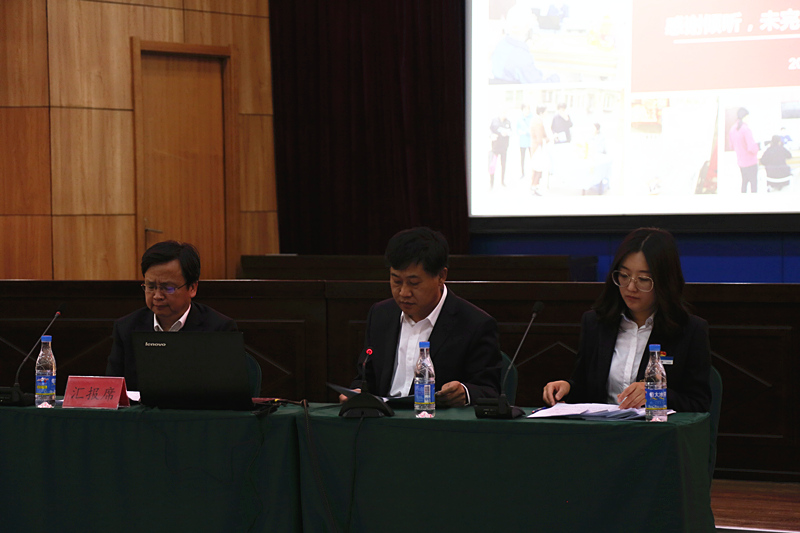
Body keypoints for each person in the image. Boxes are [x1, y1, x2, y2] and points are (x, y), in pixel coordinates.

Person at [542, 228, 711, 413]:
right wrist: (567, 388)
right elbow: (585, 388)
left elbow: (700, 404)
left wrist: (656, 394)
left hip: (654, 429)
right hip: (602, 428)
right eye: (624, 276)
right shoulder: (596, 323)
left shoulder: (690, 330)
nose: (631, 287)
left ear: (664, 281)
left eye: (643, 279)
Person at [340, 227, 501, 407]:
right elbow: (366, 376)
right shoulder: (381, 314)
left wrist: (464, 392)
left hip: (434, 419)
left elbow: (490, 390)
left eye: (413, 283)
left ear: (441, 276)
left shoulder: (475, 324)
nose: (403, 292)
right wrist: (357, 392)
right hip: (383, 418)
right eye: (396, 281)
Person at [106, 240, 237, 390]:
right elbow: (112, 390)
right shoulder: (126, 328)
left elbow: (229, 391)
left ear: (192, 288)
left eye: (168, 288)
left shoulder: (219, 329)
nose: (157, 296)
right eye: (150, 287)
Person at [729, 107, 759, 193]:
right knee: (753, 185)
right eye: (748, 117)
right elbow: (752, 148)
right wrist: (757, 147)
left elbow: (731, 146)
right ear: (744, 117)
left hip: (741, 162)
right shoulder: (746, 129)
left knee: (744, 183)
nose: (749, 119)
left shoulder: (732, 129)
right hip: (751, 162)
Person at [489, 113, 512, 187]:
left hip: (504, 148)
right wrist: (491, 135)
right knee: (492, 165)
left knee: (503, 165)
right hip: (495, 148)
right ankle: (491, 183)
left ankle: (502, 181)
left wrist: (507, 133)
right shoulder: (494, 121)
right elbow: (490, 130)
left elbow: (511, 132)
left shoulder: (508, 122)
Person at [517, 104, 533, 179]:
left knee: (532, 157)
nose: (527, 111)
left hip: (531, 141)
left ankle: (533, 172)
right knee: (522, 157)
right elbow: (517, 129)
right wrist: (520, 132)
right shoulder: (520, 119)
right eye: (525, 109)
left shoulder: (532, 117)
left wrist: (527, 131)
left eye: (528, 109)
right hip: (523, 141)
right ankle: (522, 172)